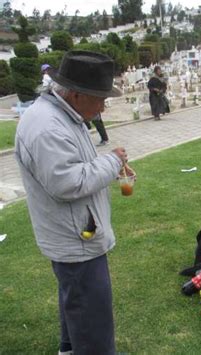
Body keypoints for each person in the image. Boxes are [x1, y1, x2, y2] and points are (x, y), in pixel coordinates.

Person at [15, 50, 127, 354]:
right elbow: (67, 182)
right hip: (76, 239)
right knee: (93, 320)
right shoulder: (47, 126)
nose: (104, 105)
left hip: (76, 232)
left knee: (77, 303)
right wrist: (112, 163)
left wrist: (105, 167)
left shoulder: (62, 114)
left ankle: (69, 348)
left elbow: (74, 168)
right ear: (77, 95)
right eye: (101, 98)